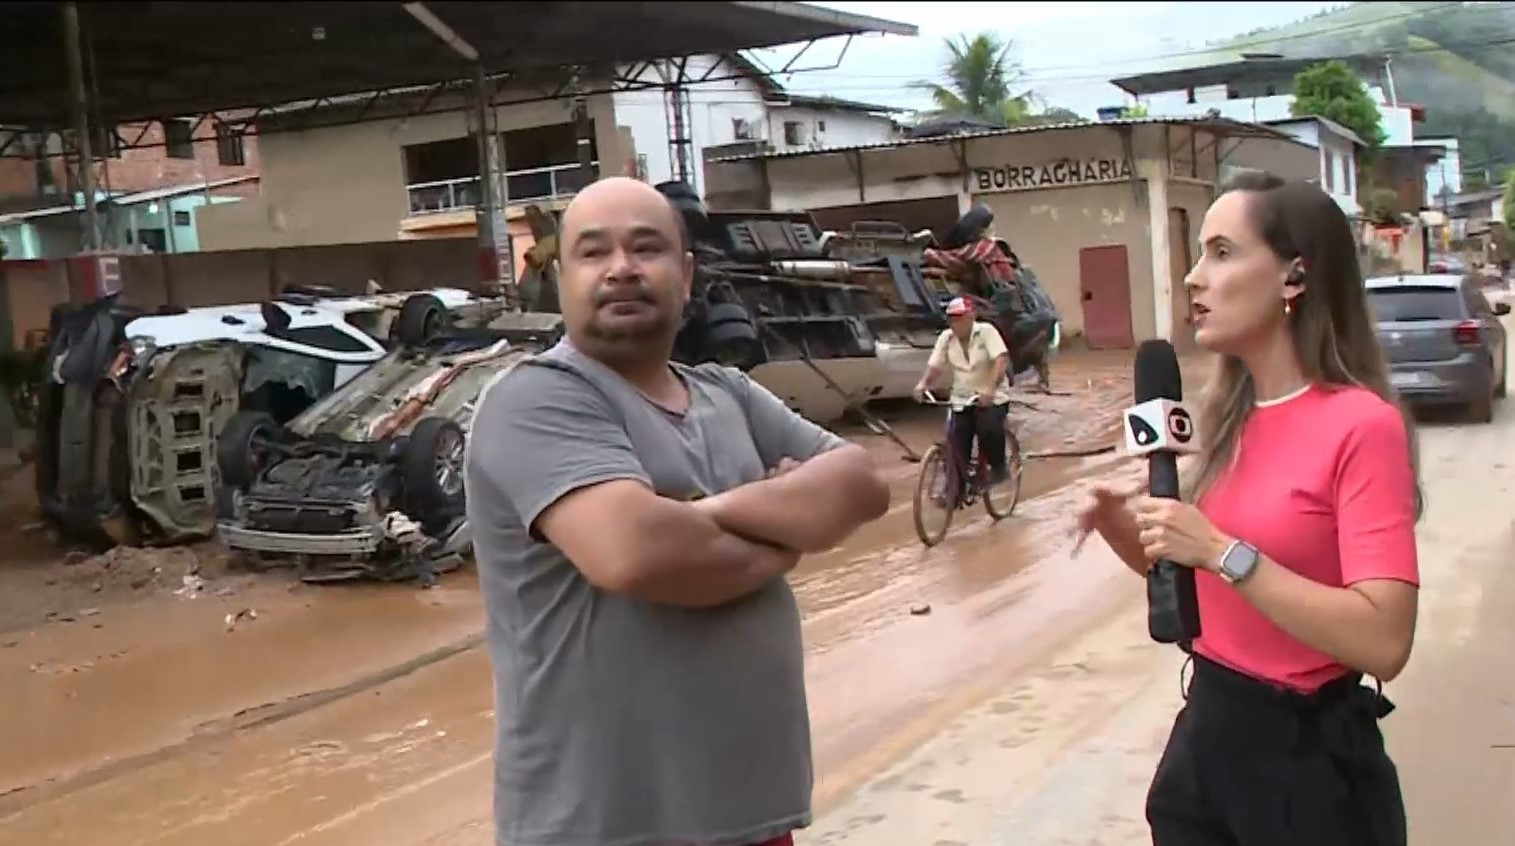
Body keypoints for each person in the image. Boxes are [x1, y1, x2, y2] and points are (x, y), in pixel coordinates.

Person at [465, 177, 891, 846]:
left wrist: (704, 512)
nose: (621, 269)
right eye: (592, 252)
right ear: (561, 277)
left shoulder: (727, 393)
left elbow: (863, 482)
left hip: (752, 816)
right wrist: (785, 529)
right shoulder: (534, 399)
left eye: (646, 248)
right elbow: (636, 554)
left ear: (685, 274)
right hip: (603, 825)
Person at [1073, 171, 1421, 846]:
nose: (1193, 279)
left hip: (1304, 768)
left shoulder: (1360, 425)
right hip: (1206, 737)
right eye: (1199, 254)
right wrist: (1129, 528)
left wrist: (1219, 550)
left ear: (1293, 277)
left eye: (1222, 252)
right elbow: (1202, 595)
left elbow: (1384, 640)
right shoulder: (1225, 419)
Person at [913, 296, 1014, 494]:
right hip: (961, 398)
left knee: (988, 428)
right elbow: (935, 365)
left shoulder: (986, 332)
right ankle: (954, 490)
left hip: (992, 396)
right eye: (951, 319)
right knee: (956, 441)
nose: (955, 324)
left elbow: (1001, 360)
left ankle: (999, 468)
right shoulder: (946, 338)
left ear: (971, 317)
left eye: (959, 318)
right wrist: (923, 384)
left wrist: (990, 388)